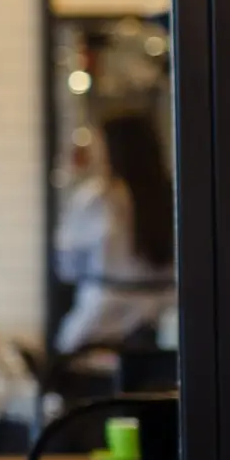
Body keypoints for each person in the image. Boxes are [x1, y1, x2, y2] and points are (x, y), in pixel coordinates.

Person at [53, 110, 176, 356]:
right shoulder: (172, 195)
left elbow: (67, 267)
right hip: (167, 327)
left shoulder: (97, 197)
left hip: (101, 328)